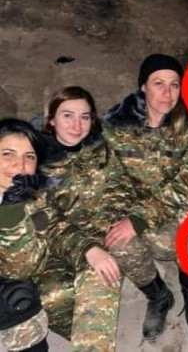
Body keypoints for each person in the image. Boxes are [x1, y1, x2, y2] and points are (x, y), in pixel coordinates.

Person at [37, 85, 164, 351]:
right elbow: (43, 219)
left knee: (105, 271)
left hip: (104, 231)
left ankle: (157, 295)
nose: (77, 125)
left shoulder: (103, 146)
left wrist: (125, 219)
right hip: (61, 244)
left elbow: (130, 184)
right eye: (67, 116)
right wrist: (87, 248)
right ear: (51, 120)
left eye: (84, 117)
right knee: (52, 298)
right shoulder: (34, 161)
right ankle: (83, 331)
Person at [103, 54, 188, 350]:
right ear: (143, 86)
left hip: (179, 217)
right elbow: (113, 181)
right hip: (143, 219)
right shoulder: (118, 127)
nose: (167, 93)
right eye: (158, 83)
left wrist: (140, 218)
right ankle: (158, 296)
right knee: (116, 238)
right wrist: (122, 217)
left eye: (174, 84)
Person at [0, 119, 49, 352]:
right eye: (8, 154)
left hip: (10, 283)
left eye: (29, 156)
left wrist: (12, 212)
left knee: (20, 297)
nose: (20, 166)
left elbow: (23, 267)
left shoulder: (34, 201)